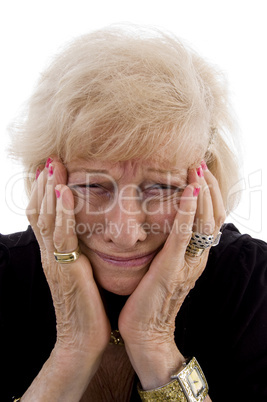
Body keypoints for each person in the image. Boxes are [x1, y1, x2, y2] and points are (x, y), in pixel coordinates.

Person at [0, 24, 266, 402]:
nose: (125, 232)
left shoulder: (252, 284)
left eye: (162, 188)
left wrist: (154, 341)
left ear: (206, 186)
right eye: (93, 186)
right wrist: (73, 350)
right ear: (45, 179)